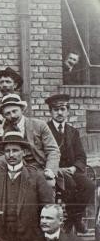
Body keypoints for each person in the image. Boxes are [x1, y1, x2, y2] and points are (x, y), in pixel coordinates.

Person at [0, 132, 55, 241]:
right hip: (2, 239)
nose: (11, 155)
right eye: (7, 151)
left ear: (24, 152)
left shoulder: (36, 177)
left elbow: (48, 208)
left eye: (15, 150)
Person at [46, 93, 95, 233]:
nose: (59, 113)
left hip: (71, 171)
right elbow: (43, 155)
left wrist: (74, 168)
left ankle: (73, 219)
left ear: (68, 111)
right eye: (56, 109)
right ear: (51, 112)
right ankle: (74, 221)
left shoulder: (73, 132)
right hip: (54, 172)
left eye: (63, 109)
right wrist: (56, 169)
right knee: (71, 186)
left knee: (89, 185)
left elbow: (81, 156)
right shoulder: (45, 129)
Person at [0, 94, 60, 174]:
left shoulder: (39, 125)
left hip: (38, 166)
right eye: (7, 113)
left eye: (14, 111)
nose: (12, 116)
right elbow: (2, 153)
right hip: (16, 167)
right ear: (3, 116)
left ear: (22, 110)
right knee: (0, 160)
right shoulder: (5, 129)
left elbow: (53, 150)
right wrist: (0, 129)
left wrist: (50, 170)